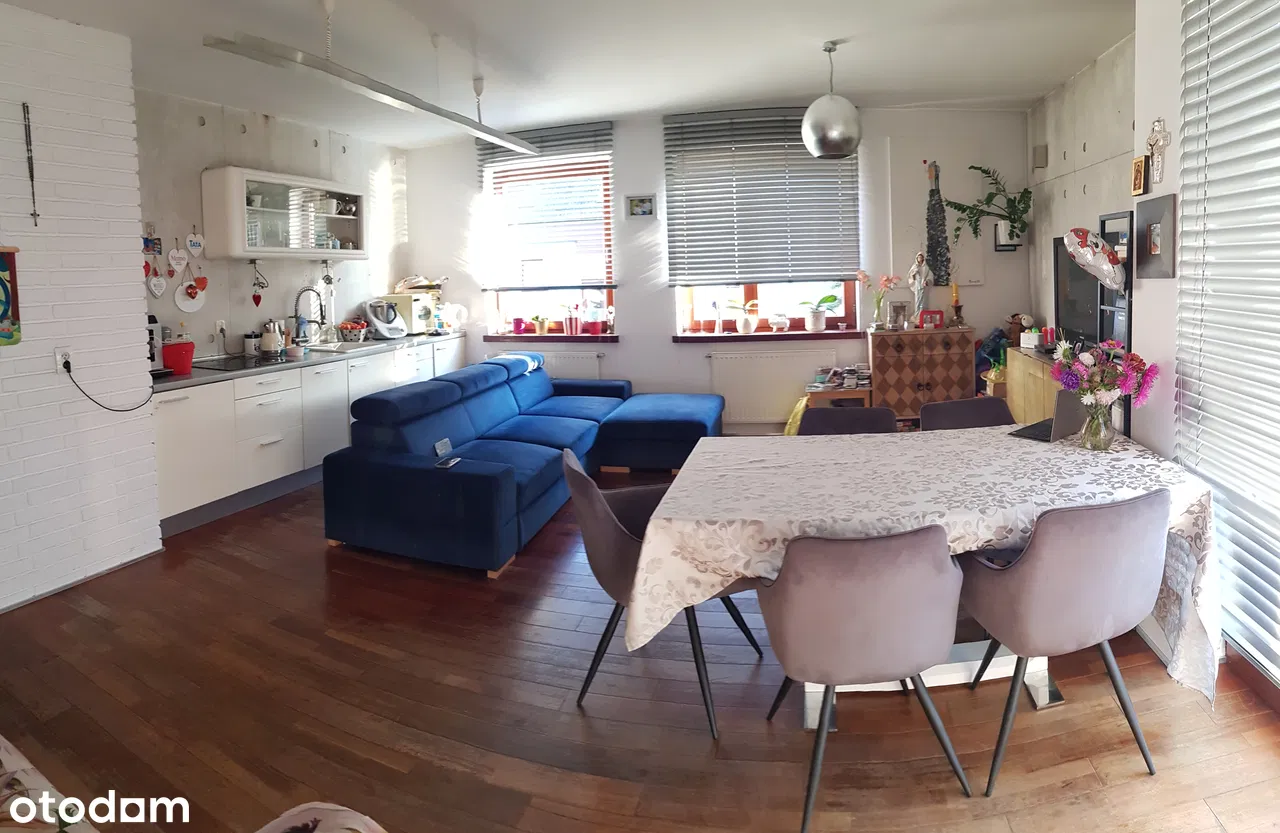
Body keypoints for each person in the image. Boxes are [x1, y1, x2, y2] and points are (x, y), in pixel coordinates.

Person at [908, 252, 932, 323]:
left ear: (923, 258)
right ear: (917, 258)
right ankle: (917, 316)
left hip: (923, 287)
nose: (920, 259)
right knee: (917, 302)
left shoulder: (926, 268)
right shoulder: (915, 266)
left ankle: (923, 316)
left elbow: (930, 276)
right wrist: (914, 273)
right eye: (919, 257)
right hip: (917, 287)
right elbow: (910, 276)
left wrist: (927, 281)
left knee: (923, 302)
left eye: (921, 257)